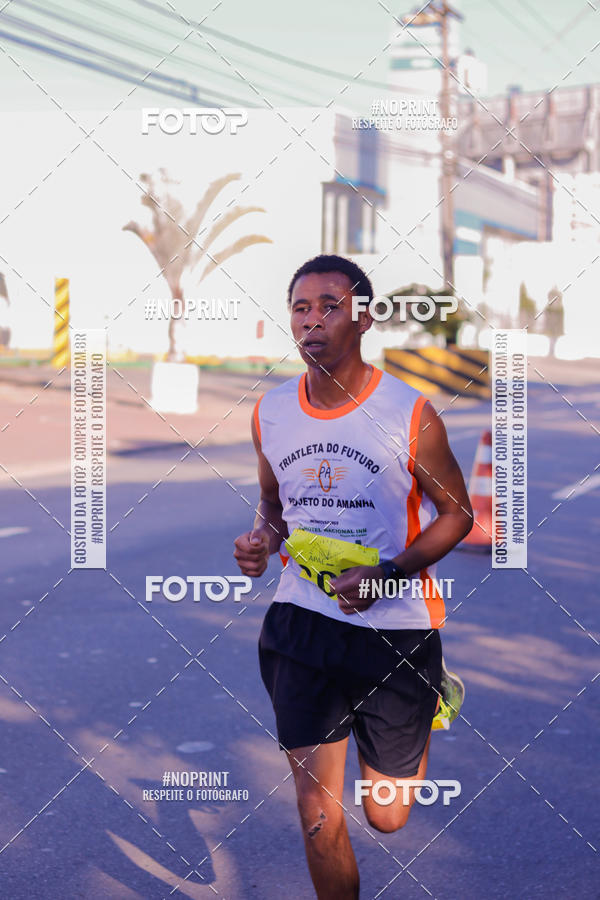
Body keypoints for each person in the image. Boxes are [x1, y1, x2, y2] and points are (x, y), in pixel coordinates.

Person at [234, 254, 472, 899]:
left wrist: (390, 573)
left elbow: (458, 515)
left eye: (329, 306)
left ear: (363, 319)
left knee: (387, 816)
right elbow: (276, 510)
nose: (312, 321)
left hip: (394, 630)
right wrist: (261, 544)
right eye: (301, 308)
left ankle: (429, 698)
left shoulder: (408, 414)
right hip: (301, 625)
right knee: (318, 814)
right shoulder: (272, 413)